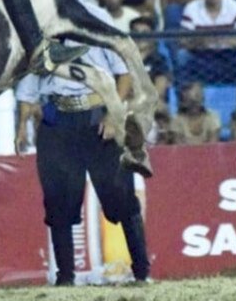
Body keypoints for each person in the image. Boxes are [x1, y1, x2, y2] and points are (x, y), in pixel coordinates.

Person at [15, 24, 151, 286]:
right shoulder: (42, 31)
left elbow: (124, 74)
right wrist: (22, 125)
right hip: (57, 123)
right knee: (58, 202)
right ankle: (65, 277)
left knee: (121, 196)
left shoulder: (95, 24)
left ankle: (142, 272)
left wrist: (113, 113)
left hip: (99, 118)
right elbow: (29, 85)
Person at [169, 80, 221, 145]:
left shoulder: (212, 116)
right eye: (190, 102)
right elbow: (179, 147)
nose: (194, 106)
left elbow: (213, 145)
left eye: (198, 97)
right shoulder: (176, 119)